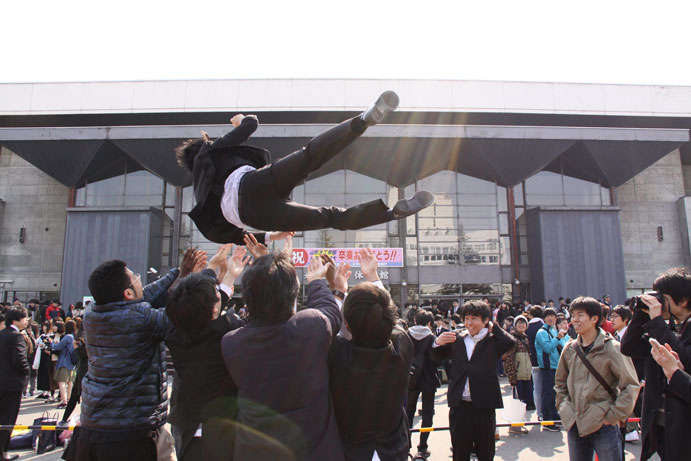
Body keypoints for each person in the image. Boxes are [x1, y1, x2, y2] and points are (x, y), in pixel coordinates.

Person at [177, 91, 434, 244]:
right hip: (255, 184)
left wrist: (270, 236)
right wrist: (239, 121)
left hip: (256, 217)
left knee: (332, 217)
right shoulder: (207, 152)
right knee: (310, 156)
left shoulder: (202, 196)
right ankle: (363, 120)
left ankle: (390, 214)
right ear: (202, 147)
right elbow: (252, 124)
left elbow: (229, 236)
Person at [75, 250, 203, 461]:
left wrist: (180, 273)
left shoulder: (92, 314)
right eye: (136, 279)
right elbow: (180, 315)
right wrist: (202, 280)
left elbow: (146, 295)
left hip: (95, 427)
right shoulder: (140, 318)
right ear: (127, 293)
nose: (140, 282)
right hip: (134, 434)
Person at [222, 252, 344, 461]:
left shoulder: (232, 343)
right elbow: (329, 310)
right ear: (293, 295)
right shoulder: (311, 326)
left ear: (248, 298)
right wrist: (316, 281)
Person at [165, 244, 251, 461]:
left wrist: (218, 271)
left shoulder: (175, 333)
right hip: (222, 433)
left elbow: (206, 307)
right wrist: (226, 272)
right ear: (214, 308)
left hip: (188, 429)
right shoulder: (228, 330)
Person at [327, 248, 413, 461]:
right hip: (394, 452)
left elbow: (324, 326)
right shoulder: (402, 347)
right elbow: (394, 321)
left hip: (350, 453)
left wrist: (337, 291)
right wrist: (374, 277)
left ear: (346, 323)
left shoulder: (336, 353)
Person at [555, 297, 640, 461]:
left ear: (594, 319)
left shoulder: (612, 348)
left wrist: (613, 416)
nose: (574, 320)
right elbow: (559, 384)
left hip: (603, 425)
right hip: (575, 422)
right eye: (572, 315)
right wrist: (565, 409)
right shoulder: (570, 349)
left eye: (580, 315)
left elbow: (630, 385)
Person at [621, 267, 691, 461]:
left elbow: (685, 361)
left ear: (683, 300)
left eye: (663, 297)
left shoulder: (664, 328)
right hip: (658, 424)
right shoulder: (663, 327)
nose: (658, 301)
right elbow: (629, 348)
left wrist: (657, 321)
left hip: (683, 425)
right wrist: (642, 315)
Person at [431, 300, 515, 461]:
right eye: (466, 318)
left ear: (485, 320)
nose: (469, 323)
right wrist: (437, 342)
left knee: (486, 451)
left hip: (484, 405)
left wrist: (493, 327)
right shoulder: (457, 338)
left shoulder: (492, 340)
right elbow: (436, 357)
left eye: (474, 318)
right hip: (460, 404)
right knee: (460, 451)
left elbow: (509, 342)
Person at [405, 310, 440, 460]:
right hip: (428, 379)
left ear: (415, 320)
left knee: (408, 412)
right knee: (427, 413)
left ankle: (406, 445)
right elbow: (438, 358)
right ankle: (422, 447)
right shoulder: (433, 338)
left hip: (411, 377)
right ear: (430, 323)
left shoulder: (406, 335)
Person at [0, 307, 30, 461]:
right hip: (12, 384)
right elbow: (19, 359)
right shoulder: (16, 336)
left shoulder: (2, 334)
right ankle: (2, 452)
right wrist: (26, 372)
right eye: (25, 318)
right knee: (7, 419)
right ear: (16, 320)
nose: (27, 321)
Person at [535, 307, 570, 431]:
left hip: (557, 366)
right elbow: (548, 348)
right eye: (548, 316)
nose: (550, 318)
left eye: (553, 316)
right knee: (548, 394)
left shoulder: (554, 331)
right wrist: (558, 338)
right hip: (547, 367)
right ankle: (547, 421)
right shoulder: (541, 332)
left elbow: (564, 345)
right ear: (543, 319)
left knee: (555, 394)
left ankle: (554, 416)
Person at [503, 315, 536, 424]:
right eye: (519, 323)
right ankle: (516, 424)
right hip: (517, 374)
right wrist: (512, 376)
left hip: (526, 373)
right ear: (515, 325)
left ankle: (522, 422)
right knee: (518, 401)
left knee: (526, 401)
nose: (521, 325)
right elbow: (509, 358)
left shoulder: (525, 338)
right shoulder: (512, 338)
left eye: (523, 323)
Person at [51, 319, 76, 408]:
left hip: (64, 362)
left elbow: (58, 347)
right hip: (72, 363)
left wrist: (52, 344)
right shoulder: (73, 336)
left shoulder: (67, 337)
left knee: (62, 382)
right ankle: (68, 399)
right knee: (70, 382)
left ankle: (64, 400)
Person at [525, 306, 545, 420]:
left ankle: (539, 413)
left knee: (536, 388)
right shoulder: (543, 326)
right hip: (546, 362)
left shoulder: (527, 327)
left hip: (531, 361)